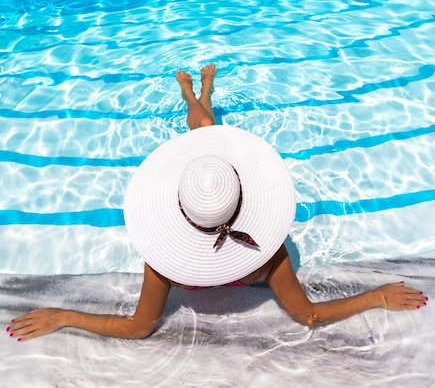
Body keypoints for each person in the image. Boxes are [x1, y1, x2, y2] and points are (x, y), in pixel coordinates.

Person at [6, 64, 428, 342]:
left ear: (175, 210)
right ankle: (197, 92)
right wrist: (375, 296)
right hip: (215, 187)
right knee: (204, 127)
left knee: (203, 129)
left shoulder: (163, 258)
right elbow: (309, 316)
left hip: (203, 186)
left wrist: (65, 315)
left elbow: (140, 328)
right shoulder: (267, 254)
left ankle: (195, 93)